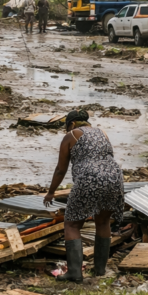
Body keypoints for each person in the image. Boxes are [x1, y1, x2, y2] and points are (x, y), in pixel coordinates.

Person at [42, 110, 125, 282]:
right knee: (102, 221)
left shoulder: (71, 135)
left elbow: (60, 169)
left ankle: (74, 272)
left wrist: (51, 192)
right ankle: (100, 270)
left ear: (71, 124)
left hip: (89, 178)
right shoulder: (102, 133)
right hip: (114, 176)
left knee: (72, 224)